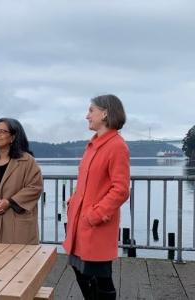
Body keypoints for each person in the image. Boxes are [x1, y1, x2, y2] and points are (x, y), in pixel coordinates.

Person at [63, 94, 130, 300]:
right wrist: (73, 201)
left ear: (105, 113)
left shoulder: (117, 146)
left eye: (91, 110)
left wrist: (96, 214)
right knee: (80, 271)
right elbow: (86, 182)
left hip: (95, 224)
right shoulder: (92, 145)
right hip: (79, 222)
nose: (87, 116)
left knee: (100, 277)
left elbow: (121, 189)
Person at [0, 118, 43, 244]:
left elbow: (35, 187)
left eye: (2, 131)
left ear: (13, 137)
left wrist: (9, 202)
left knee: (20, 261)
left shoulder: (27, 161)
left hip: (18, 225)